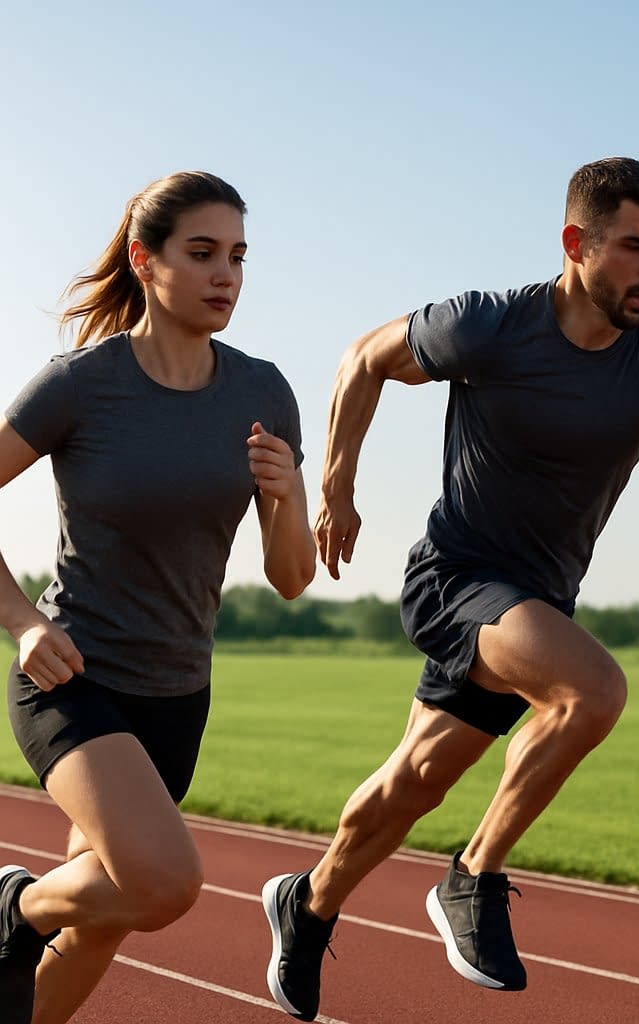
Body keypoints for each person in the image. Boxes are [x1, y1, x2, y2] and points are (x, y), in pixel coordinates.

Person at [261, 156, 639, 1020]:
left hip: (535, 603)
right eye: (636, 247)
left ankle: (304, 905)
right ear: (577, 243)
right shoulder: (490, 325)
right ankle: (474, 876)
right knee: (592, 690)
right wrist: (336, 486)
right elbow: (362, 360)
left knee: (413, 780)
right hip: (455, 577)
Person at [0, 171, 316, 1024]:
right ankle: (12, 909)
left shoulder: (262, 390)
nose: (226, 276)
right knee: (164, 883)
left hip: (178, 692)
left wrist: (289, 497)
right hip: (72, 676)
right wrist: (23, 623)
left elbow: (292, 577)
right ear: (145, 260)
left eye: (239, 257)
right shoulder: (82, 383)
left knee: (103, 915)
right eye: (203, 253)